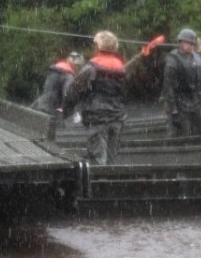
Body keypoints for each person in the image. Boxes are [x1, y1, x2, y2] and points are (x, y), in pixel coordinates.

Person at [61, 31, 128, 165]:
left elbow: (73, 91)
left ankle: (99, 184)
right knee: (112, 160)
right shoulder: (122, 68)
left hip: (97, 119)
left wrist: (66, 112)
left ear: (98, 46)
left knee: (97, 159)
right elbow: (125, 94)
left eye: (94, 44)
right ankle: (110, 182)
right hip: (117, 119)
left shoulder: (91, 68)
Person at [31, 52, 84, 120]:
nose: (78, 69)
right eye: (79, 66)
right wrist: (72, 112)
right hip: (51, 111)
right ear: (75, 65)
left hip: (39, 105)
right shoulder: (68, 76)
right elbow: (67, 96)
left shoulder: (53, 70)